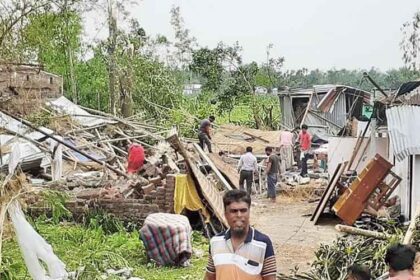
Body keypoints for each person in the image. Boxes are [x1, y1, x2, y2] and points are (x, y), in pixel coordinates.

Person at [205, 190, 277, 280]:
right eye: (234, 211)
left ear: (249, 212)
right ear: (225, 214)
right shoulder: (215, 242)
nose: (239, 215)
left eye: (243, 211)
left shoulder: (263, 243)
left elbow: (270, 278)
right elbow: (209, 277)